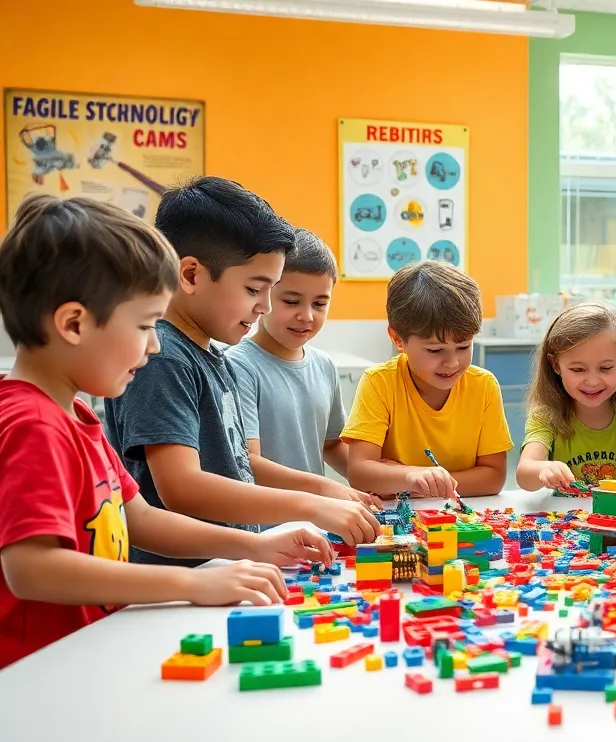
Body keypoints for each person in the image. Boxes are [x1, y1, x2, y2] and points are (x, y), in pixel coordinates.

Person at [0, 195, 334, 670]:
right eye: (142, 325)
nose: (154, 343)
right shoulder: (34, 424)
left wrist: (254, 545)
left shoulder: (74, 414)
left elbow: (139, 517)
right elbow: (32, 570)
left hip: (83, 654)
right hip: (40, 673)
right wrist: (192, 584)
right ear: (74, 323)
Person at [101, 177, 378, 567]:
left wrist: (321, 490)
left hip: (224, 568)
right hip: (183, 584)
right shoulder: (163, 358)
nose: (265, 306)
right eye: (253, 289)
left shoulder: (209, 353)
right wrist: (311, 503)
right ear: (192, 275)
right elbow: (182, 487)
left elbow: (239, 468)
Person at [227, 229, 379, 526]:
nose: (307, 316)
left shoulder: (324, 366)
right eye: (292, 301)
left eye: (320, 304)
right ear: (264, 295)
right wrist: (323, 488)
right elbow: (248, 462)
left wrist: (378, 481)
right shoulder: (239, 366)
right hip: (264, 531)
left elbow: (331, 444)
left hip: (315, 526)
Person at [343, 260, 513, 498]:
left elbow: (493, 478)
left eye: (463, 346)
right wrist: (410, 477)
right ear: (398, 339)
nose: (452, 362)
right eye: (435, 350)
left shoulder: (483, 385)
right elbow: (360, 474)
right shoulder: (379, 382)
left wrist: (405, 481)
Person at [516, 302, 616, 492]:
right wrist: (543, 468)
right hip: (567, 519)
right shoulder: (546, 417)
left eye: (605, 368)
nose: (592, 381)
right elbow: (524, 474)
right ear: (556, 365)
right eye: (578, 369)